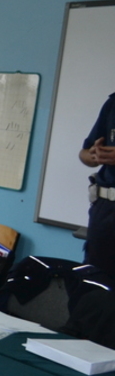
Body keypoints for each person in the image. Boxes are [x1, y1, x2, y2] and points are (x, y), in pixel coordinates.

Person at [80, 94, 115, 276]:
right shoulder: (112, 104)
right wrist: (94, 155)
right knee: (93, 278)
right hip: (105, 209)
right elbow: (84, 153)